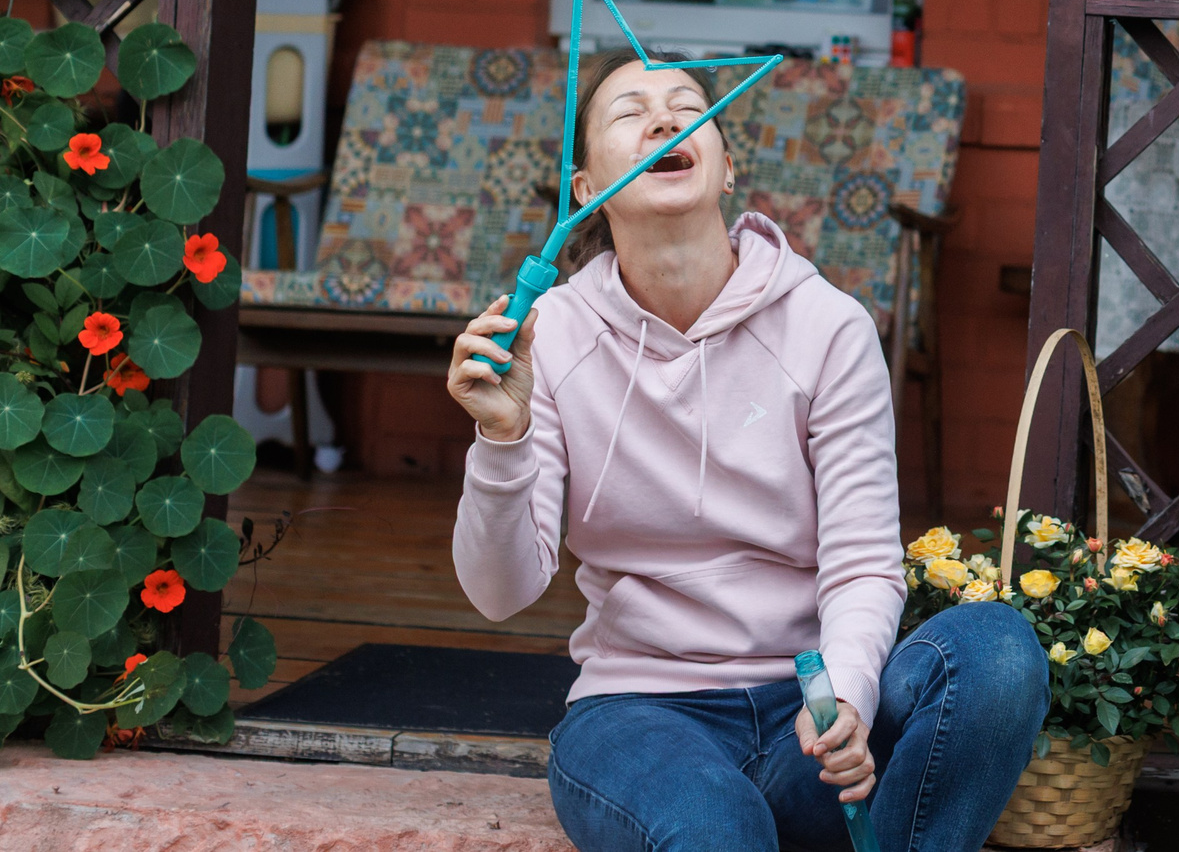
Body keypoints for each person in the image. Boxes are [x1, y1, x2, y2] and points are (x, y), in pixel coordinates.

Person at [447, 48, 1046, 851]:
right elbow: (499, 591)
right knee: (715, 827)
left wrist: (848, 701)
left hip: (809, 705)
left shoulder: (829, 327)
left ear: (728, 168)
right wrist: (501, 435)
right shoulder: (548, 337)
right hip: (639, 714)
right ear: (584, 188)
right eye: (629, 111)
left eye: (686, 105)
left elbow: (865, 560)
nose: (663, 118)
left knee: (997, 652)